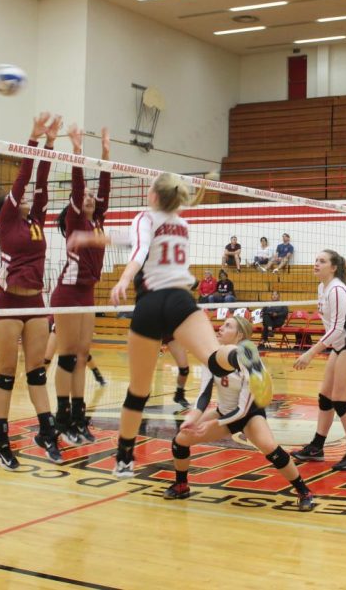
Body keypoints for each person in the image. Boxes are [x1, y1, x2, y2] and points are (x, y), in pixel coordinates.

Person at [67, 170, 272, 478]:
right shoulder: (182, 225)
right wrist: (95, 237)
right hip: (179, 300)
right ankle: (241, 355)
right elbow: (135, 239)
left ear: (152, 196)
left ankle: (124, 458)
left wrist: (123, 278)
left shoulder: (144, 218)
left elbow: (138, 247)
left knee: (138, 390)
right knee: (215, 361)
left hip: (149, 304)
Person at [164, 316, 314, 511]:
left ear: (240, 335)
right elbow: (204, 395)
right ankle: (181, 485)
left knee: (271, 448)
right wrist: (192, 418)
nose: (221, 328)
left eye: (228, 326)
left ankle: (304, 492)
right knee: (181, 439)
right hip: (224, 412)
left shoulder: (249, 358)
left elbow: (242, 409)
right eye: (223, 324)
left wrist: (213, 424)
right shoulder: (211, 356)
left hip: (249, 415)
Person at [0, 112, 64, 470]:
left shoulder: (36, 222)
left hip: (35, 303)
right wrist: (32, 140)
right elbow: (23, 179)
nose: (18, 200)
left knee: (36, 371)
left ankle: (46, 430)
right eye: (13, 200)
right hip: (7, 304)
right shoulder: (7, 220)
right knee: (6, 371)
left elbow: (41, 182)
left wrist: (52, 144)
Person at [50, 126, 111, 445]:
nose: (89, 198)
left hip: (87, 293)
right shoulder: (75, 221)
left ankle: (78, 414)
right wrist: (76, 152)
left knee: (83, 353)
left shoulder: (97, 220)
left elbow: (104, 186)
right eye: (84, 197)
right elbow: (80, 187)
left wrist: (105, 153)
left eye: (91, 198)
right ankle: (63, 419)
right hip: (68, 293)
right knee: (68, 355)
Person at [291, 249, 346, 471]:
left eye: (322, 261)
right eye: (315, 260)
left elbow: (337, 328)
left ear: (334, 267)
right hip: (340, 345)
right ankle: (317, 447)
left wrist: (310, 352)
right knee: (325, 397)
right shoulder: (322, 288)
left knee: (340, 399)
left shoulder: (337, 289)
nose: (316, 264)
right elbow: (331, 328)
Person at [163, 340, 192, 409]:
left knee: (184, 370)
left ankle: (179, 394)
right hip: (151, 334)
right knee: (145, 369)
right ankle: (141, 395)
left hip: (170, 334)